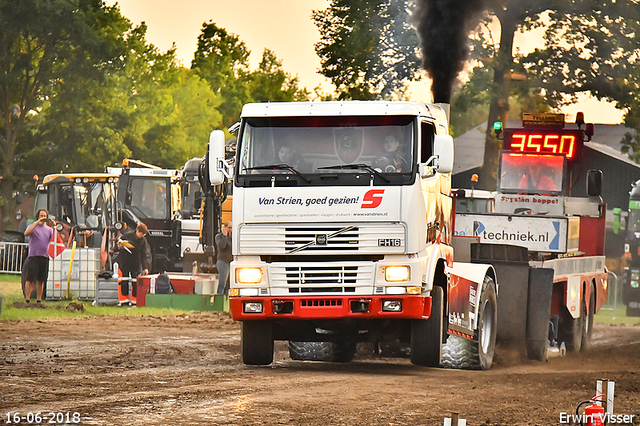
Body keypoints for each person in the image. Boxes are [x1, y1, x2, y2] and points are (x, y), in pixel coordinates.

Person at [113, 222, 151, 305]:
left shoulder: (143, 242)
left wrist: (145, 268)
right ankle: (124, 302)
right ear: (137, 230)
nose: (142, 236)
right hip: (124, 262)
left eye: (144, 234)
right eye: (141, 233)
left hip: (136, 264)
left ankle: (134, 302)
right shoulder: (126, 237)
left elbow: (144, 255)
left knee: (136, 283)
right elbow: (116, 247)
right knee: (123, 281)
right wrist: (119, 247)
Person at [23, 209, 54, 304]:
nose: (43, 218)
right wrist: (37, 223)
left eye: (45, 216)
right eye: (41, 216)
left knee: (41, 280)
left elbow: (55, 239)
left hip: (44, 256)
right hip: (33, 256)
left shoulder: (49, 230)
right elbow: (26, 233)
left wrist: (54, 226)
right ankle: (28, 299)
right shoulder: (32, 226)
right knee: (30, 279)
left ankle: (39, 300)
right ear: (38, 216)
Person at [215, 221, 232, 295]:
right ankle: (220, 297)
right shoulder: (219, 237)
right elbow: (222, 246)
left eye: (232, 228)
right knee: (222, 283)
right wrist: (224, 235)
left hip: (231, 262)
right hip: (223, 262)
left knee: (230, 284)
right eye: (229, 228)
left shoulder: (232, 237)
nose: (231, 230)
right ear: (225, 228)